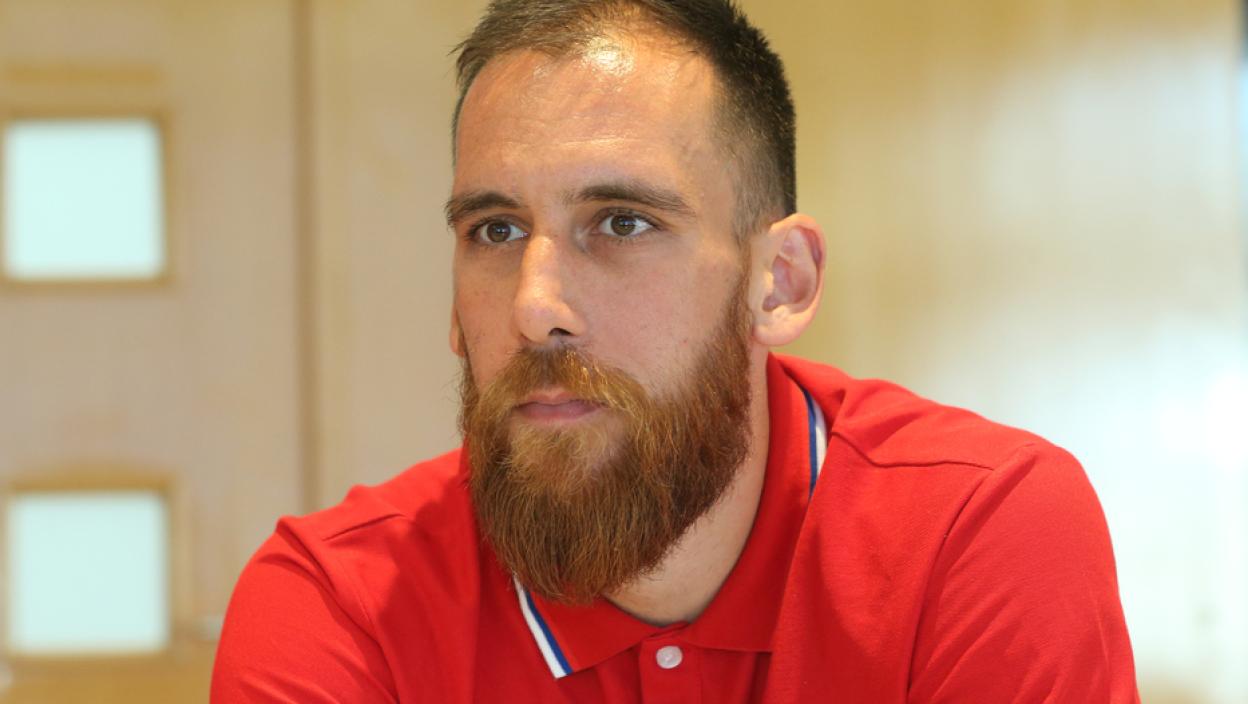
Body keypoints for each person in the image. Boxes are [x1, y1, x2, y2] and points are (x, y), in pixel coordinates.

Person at [211, 0, 1139, 701]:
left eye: (622, 222)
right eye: (495, 231)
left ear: (779, 282)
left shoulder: (975, 532)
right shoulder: (341, 608)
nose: (534, 308)